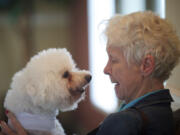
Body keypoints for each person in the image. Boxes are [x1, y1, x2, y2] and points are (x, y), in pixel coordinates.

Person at [1, 11, 180, 135]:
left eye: (114, 60)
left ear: (146, 65)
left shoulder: (126, 123)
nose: (105, 69)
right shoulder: (164, 108)